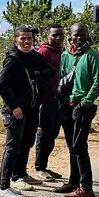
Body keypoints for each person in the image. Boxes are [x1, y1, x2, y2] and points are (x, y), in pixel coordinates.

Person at [0, 24, 54, 197]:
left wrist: (36, 75)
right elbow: (1, 86)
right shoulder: (13, 59)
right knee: (12, 147)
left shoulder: (32, 57)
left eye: (29, 38)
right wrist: (14, 106)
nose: (27, 41)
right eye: (23, 38)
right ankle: (3, 186)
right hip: (15, 111)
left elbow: (49, 71)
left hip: (31, 108)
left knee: (26, 142)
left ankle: (19, 175)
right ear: (15, 40)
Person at [50, 23, 99, 197]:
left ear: (87, 36)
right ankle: (73, 182)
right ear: (70, 36)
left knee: (80, 146)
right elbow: (62, 79)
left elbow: (98, 84)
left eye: (81, 35)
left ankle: (86, 188)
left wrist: (86, 102)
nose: (77, 38)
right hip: (67, 105)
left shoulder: (92, 56)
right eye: (74, 35)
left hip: (83, 106)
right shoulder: (66, 55)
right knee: (72, 146)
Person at [32, 24, 66, 181]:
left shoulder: (62, 52)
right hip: (45, 101)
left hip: (58, 100)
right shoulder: (43, 52)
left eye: (60, 35)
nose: (58, 38)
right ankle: (39, 168)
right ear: (48, 36)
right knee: (43, 134)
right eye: (54, 35)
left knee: (53, 134)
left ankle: (44, 166)